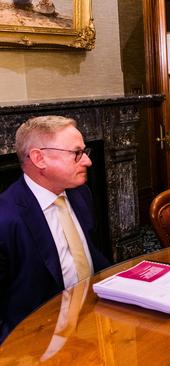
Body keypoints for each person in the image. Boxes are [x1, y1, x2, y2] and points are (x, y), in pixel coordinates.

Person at [0, 116, 111, 344]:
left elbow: (90, 256)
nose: (88, 161)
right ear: (39, 158)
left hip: (92, 318)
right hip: (35, 340)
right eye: (76, 153)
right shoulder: (6, 218)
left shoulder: (80, 194)